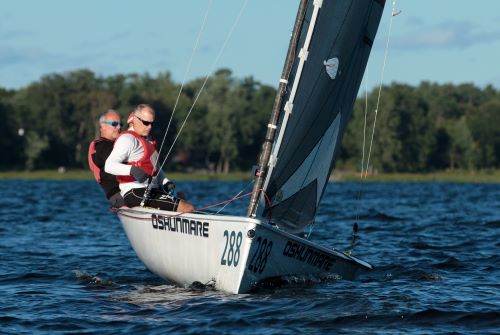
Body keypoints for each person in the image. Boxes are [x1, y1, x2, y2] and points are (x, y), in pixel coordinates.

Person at [105, 104, 194, 212]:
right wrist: (133, 170)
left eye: (152, 123)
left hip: (152, 190)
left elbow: (155, 168)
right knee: (187, 208)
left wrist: (166, 182)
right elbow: (109, 166)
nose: (149, 127)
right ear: (135, 119)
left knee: (182, 196)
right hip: (135, 192)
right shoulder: (127, 139)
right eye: (146, 123)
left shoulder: (149, 141)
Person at [88, 109, 125, 208]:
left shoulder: (120, 144)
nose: (119, 127)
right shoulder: (100, 147)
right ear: (103, 126)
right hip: (118, 194)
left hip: (134, 189)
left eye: (120, 124)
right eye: (114, 124)